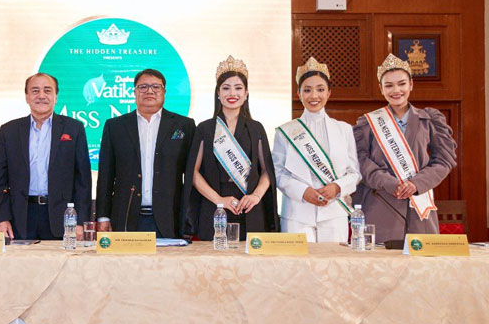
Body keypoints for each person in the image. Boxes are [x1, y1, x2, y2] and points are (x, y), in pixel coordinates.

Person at [353, 54, 456, 243]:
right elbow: (360, 162)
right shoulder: (368, 123)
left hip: (419, 205)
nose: (396, 90)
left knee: (421, 259)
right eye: (389, 86)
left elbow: (444, 160)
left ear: (411, 84)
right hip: (381, 203)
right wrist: (389, 183)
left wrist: (416, 183)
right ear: (381, 89)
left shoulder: (430, 120)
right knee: (380, 260)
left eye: (401, 84)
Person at [183, 56, 278, 240]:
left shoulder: (256, 128)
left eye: (238, 88)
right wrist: (219, 200)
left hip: (249, 206)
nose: (232, 93)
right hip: (214, 205)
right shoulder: (205, 128)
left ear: (246, 93)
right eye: (226, 88)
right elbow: (193, 172)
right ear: (218, 93)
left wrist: (256, 196)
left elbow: (267, 170)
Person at [97, 68, 195, 238]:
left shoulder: (184, 125)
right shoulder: (115, 126)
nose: (149, 91)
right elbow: (106, 174)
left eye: (156, 87)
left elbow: (192, 174)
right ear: (134, 92)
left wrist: (191, 215)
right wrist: (103, 216)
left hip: (169, 217)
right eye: (143, 87)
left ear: (164, 92)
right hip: (126, 215)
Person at [272, 57, 360, 242]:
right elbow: (277, 173)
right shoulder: (285, 132)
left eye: (320, 89)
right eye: (307, 90)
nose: (314, 96)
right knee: (298, 261)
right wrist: (303, 191)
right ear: (299, 94)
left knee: (333, 260)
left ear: (328, 93)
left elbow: (354, 173)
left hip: (334, 212)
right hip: (297, 213)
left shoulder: (344, 130)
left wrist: (337, 187)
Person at [0, 73, 91, 240]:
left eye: (47, 90)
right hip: (20, 218)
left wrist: (80, 221)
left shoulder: (74, 128)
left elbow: (83, 181)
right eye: (35, 91)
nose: (41, 96)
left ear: (56, 97)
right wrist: (2, 218)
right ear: (27, 97)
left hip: (62, 218)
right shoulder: (9, 131)